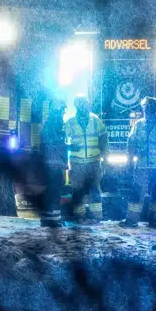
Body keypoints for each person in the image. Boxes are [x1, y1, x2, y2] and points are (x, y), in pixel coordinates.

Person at [123, 96, 156, 229]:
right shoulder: (138, 125)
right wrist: (129, 160)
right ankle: (132, 220)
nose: (146, 110)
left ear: (154, 108)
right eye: (144, 107)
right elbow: (131, 143)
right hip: (143, 166)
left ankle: (153, 221)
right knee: (137, 192)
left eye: (149, 107)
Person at [65, 94, 107, 222]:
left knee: (94, 190)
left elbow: (104, 140)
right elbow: (62, 141)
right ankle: (80, 216)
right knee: (78, 190)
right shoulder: (70, 122)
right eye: (84, 104)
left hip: (93, 162)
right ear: (78, 106)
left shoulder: (96, 120)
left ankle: (96, 217)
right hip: (77, 162)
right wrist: (70, 147)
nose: (87, 107)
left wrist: (105, 158)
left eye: (87, 104)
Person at [38, 94, 68, 227]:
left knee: (52, 191)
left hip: (51, 163)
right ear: (58, 108)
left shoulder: (50, 123)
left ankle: (49, 218)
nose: (64, 112)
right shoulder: (55, 123)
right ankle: (52, 220)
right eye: (63, 109)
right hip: (54, 164)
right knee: (54, 192)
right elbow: (57, 145)